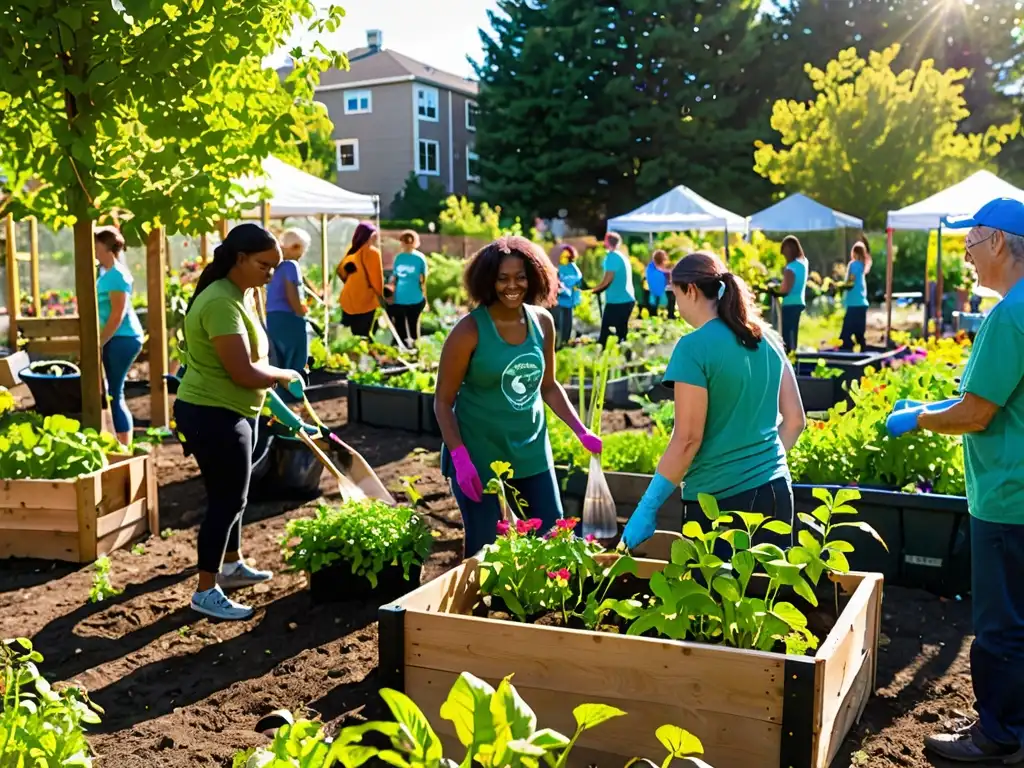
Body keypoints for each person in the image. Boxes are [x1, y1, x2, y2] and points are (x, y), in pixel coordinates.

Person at [886, 198, 1024, 763]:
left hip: (1007, 499)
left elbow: (977, 414)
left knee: (999, 626)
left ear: (997, 242)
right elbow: (987, 399)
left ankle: (998, 737)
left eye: (970, 243)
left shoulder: (1008, 315)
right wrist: (935, 402)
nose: (965, 256)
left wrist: (919, 416)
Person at [621, 251, 806, 550]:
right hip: (776, 493)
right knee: (766, 592)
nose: (675, 303)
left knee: (712, 595)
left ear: (690, 290)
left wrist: (648, 505)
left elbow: (687, 440)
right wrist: (757, 465)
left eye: (675, 294)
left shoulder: (693, 348)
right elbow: (796, 421)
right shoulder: (768, 339)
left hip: (718, 504)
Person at [434, 235, 603, 557]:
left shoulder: (542, 322)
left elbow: (549, 386)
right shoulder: (468, 331)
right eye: (503, 278)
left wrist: (580, 430)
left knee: (554, 540)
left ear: (535, 277)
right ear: (487, 281)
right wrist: (460, 457)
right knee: (485, 550)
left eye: (521, 277)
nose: (513, 286)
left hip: (531, 450)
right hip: (479, 455)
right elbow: (442, 401)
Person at [174, 224, 305, 621]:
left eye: (276, 266)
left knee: (235, 496)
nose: (271, 274)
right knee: (227, 499)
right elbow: (245, 373)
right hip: (211, 413)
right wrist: (287, 375)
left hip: (232, 411)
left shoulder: (242, 296)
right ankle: (205, 590)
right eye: (265, 265)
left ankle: (230, 565)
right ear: (240, 259)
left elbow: (253, 373)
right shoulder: (220, 303)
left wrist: (286, 415)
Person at [95, 226, 145, 445]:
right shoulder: (104, 272)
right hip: (116, 338)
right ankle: (120, 443)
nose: (93, 250)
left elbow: (117, 314)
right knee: (112, 392)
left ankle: (124, 447)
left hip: (122, 339)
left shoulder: (117, 275)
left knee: (115, 392)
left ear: (105, 247)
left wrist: (99, 342)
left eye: (95, 245)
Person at [266, 228, 311, 398]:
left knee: (278, 359)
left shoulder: (273, 266)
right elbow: (292, 294)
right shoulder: (291, 266)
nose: (302, 254)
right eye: (302, 249)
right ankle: (293, 396)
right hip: (288, 317)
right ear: (296, 246)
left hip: (272, 318)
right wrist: (302, 314)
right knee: (295, 358)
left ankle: (279, 397)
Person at [337, 222, 384, 337]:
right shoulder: (373, 253)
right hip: (365, 302)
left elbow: (341, 272)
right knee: (364, 336)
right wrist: (382, 298)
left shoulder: (352, 251)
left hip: (348, 300)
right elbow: (376, 281)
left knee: (349, 338)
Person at [591, 231, 636, 347]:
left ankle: (601, 357)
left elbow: (608, 279)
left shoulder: (612, 257)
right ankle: (624, 355)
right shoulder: (621, 256)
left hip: (618, 301)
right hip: (626, 299)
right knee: (621, 331)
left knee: (606, 332)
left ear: (606, 241)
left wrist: (595, 290)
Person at [386, 230, 429, 345]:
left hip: (415, 297)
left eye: (409, 241)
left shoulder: (420, 258)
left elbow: (423, 280)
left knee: (413, 325)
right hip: (400, 297)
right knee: (400, 325)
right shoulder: (399, 258)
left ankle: (415, 349)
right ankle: (402, 348)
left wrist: (426, 298)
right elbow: (395, 278)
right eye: (404, 241)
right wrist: (391, 294)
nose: (406, 244)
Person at [776, 235, 808, 353]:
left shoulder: (791, 267)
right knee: (793, 333)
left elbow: (785, 290)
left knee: (787, 335)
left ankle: (788, 359)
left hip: (789, 303)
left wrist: (773, 289)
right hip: (799, 302)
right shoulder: (803, 264)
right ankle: (793, 357)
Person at [840, 241, 871, 351]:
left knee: (845, 334)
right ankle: (864, 353)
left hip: (853, 303)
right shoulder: (863, 266)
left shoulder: (853, 265)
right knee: (859, 334)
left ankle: (847, 353)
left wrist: (839, 286)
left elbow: (851, 282)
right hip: (862, 303)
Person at [555, 244, 583, 345]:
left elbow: (577, 277)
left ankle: (565, 342)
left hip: (569, 299)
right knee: (560, 322)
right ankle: (560, 342)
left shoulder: (572, 267)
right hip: (560, 299)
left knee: (567, 321)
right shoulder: (560, 266)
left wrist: (564, 281)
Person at [645, 249, 675, 319]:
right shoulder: (658, 269)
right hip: (661, 292)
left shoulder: (651, 266)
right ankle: (670, 315)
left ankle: (655, 316)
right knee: (671, 295)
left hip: (653, 292)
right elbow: (666, 279)